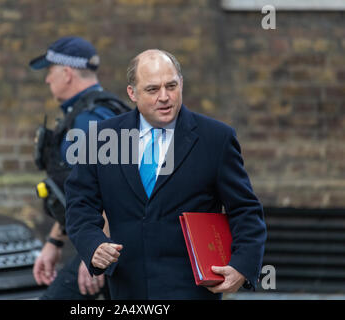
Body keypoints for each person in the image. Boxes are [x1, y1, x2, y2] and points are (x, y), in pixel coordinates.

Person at [65, 49, 267, 299]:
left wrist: (242, 266)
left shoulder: (216, 138)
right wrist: (92, 244)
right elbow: (79, 205)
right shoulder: (102, 139)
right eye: (152, 89)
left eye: (171, 86)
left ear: (181, 84)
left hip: (191, 289)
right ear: (132, 93)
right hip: (127, 288)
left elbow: (245, 210)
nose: (164, 97)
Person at [29, 36, 130, 299]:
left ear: (67, 73)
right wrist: (54, 241)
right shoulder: (90, 113)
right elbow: (79, 192)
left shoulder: (91, 121)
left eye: (50, 72)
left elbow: (114, 190)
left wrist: (96, 251)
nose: (47, 80)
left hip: (112, 244)